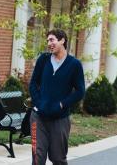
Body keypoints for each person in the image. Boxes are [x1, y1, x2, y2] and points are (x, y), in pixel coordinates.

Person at [29, 29, 85, 165]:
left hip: (60, 119)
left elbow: (80, 91)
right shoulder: (43, 60)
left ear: (62, 41)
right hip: (38, 117)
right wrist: (38, 103)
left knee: (58, 158)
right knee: (37, 158)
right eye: (48, 40)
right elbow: (33, 83)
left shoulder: (74, 65)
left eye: (52, 40)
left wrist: (62, 104)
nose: (49, 43)